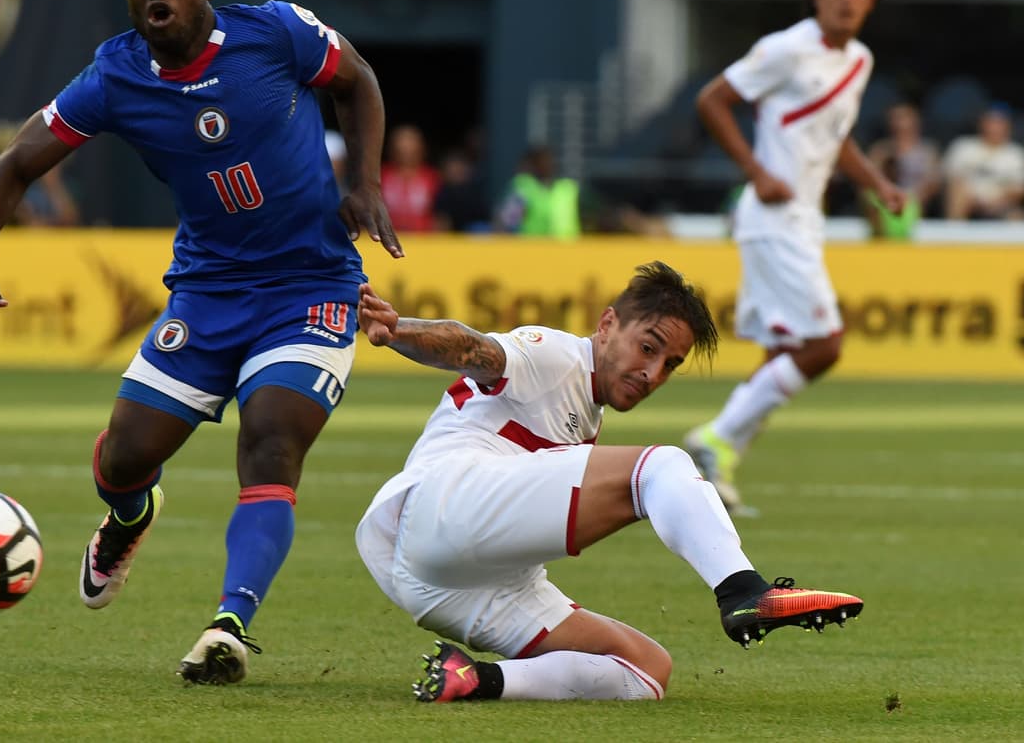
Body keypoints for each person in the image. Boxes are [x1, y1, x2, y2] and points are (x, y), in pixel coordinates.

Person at [0, 0, 403, 684]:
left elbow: (360, 80)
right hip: (209, 294)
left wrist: (366, 184)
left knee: (272, 441)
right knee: (124, 459)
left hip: (310, 287)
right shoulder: (116, 78)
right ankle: (128, 518)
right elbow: (17, 162)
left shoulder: (279, 34)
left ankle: (229, 625)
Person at [354, 262, 864, 704]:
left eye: (670, 365)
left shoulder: (588, 408)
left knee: (645, 669)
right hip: (445, 506)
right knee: (661, 467)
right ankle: (744, 591)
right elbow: (472, 348)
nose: (653, 373)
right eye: (648, 347)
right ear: (606, 324)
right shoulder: (557, 355)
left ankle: (474, 679)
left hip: (446, 584)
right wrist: (398, 331)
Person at [684, 0, 904, 517]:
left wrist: (876, 182)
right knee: (824, 343)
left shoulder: (859, 61)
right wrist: (756, 172)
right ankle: (714, 439)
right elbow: (713, 100)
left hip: (805, 217)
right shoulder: (785, 49)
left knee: (784, 350)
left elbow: (836, 138)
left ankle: (713, 468)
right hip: (772, 217)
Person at [943, 103, 1024, 221]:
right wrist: (974, 200)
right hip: (967, 202)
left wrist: (995, 202)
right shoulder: (963, 146)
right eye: (991, 121)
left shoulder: (1017, 154)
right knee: (957, 195)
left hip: (1002, 205)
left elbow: (1021, 189)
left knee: (1018, 217)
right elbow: (950, 179)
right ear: (981, 123)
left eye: (999, 122)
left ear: (1008, 125)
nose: (994, 127)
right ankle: (953, 236)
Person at [864, 102, 942, 239]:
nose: (899, 122)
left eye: (904, 117)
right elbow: (868, 177)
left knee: (910, 204)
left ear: (916, 121)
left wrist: (911, 198)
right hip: (885, 201)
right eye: (895, 118)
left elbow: (933, 181)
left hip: (916, 201)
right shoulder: (880, 149)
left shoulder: (927, 151)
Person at [496, 145, 582, 238]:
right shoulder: (524, 188)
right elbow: (505, 221)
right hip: (534, 249)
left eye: (547, 160)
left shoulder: (567, 188)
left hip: (569, 250)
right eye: (540, 161)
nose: (545, 164)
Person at [380, 123, 440, 233]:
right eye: (401, 146)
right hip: (387, 239)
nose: (406, 150)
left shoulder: (432, 177)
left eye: (411, 145)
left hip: (424, 240)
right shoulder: (380, 175)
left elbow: (440, 216)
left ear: (421, 148)